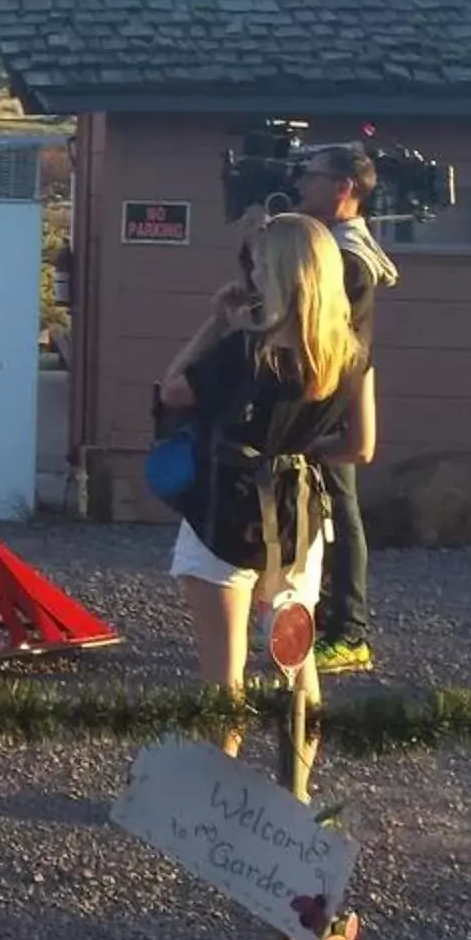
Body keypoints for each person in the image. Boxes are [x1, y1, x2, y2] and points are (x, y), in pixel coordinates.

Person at [157, 214, 373, 725]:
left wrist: (216, 322)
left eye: (255, 266)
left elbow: (171, 390)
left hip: (226, 509)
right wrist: (296, 447)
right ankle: (295, 787)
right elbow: (361, 447)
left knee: (223, 673)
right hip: (300, 510)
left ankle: (223, 788)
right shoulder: (351, 354)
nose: (249, 276)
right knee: (297, 664)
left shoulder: (247, 349)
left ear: (275, 272)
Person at [294, 144, 397, 675]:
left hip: (333, 396)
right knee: (326, 510)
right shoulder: (337, 246)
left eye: (311, 177)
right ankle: (323, 619)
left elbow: (325, 326)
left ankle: (348, 630)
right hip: (336, 388)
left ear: (343, 188)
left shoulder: (348, 258)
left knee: (339, 510)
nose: (300, 185)